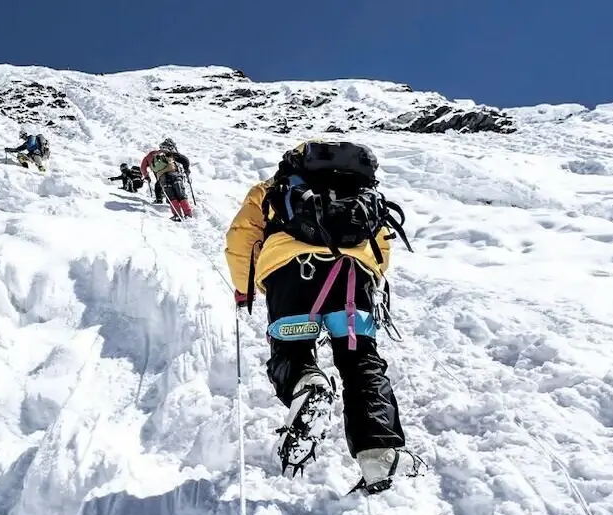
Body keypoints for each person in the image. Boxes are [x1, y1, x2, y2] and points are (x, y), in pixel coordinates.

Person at [223, 140, 419, 494]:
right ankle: (380, 455)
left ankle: (306, 384)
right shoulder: (362, 192)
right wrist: (368, 277)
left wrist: (245, 289)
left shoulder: (273, 189)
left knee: (292, 350)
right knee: (361, 361)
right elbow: (381, 246)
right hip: (353, 277)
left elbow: (241, 239)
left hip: (290, 274)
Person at [141, 138, 193, 219]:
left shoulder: (149, 156)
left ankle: (177, 215)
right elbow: (185, 159)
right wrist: (186, 169)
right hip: (174, 174)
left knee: (172, 197)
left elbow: (143, 167)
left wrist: (146, 176)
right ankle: (188, 214)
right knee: (181, 195)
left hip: (162, 178)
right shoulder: (167, 153)